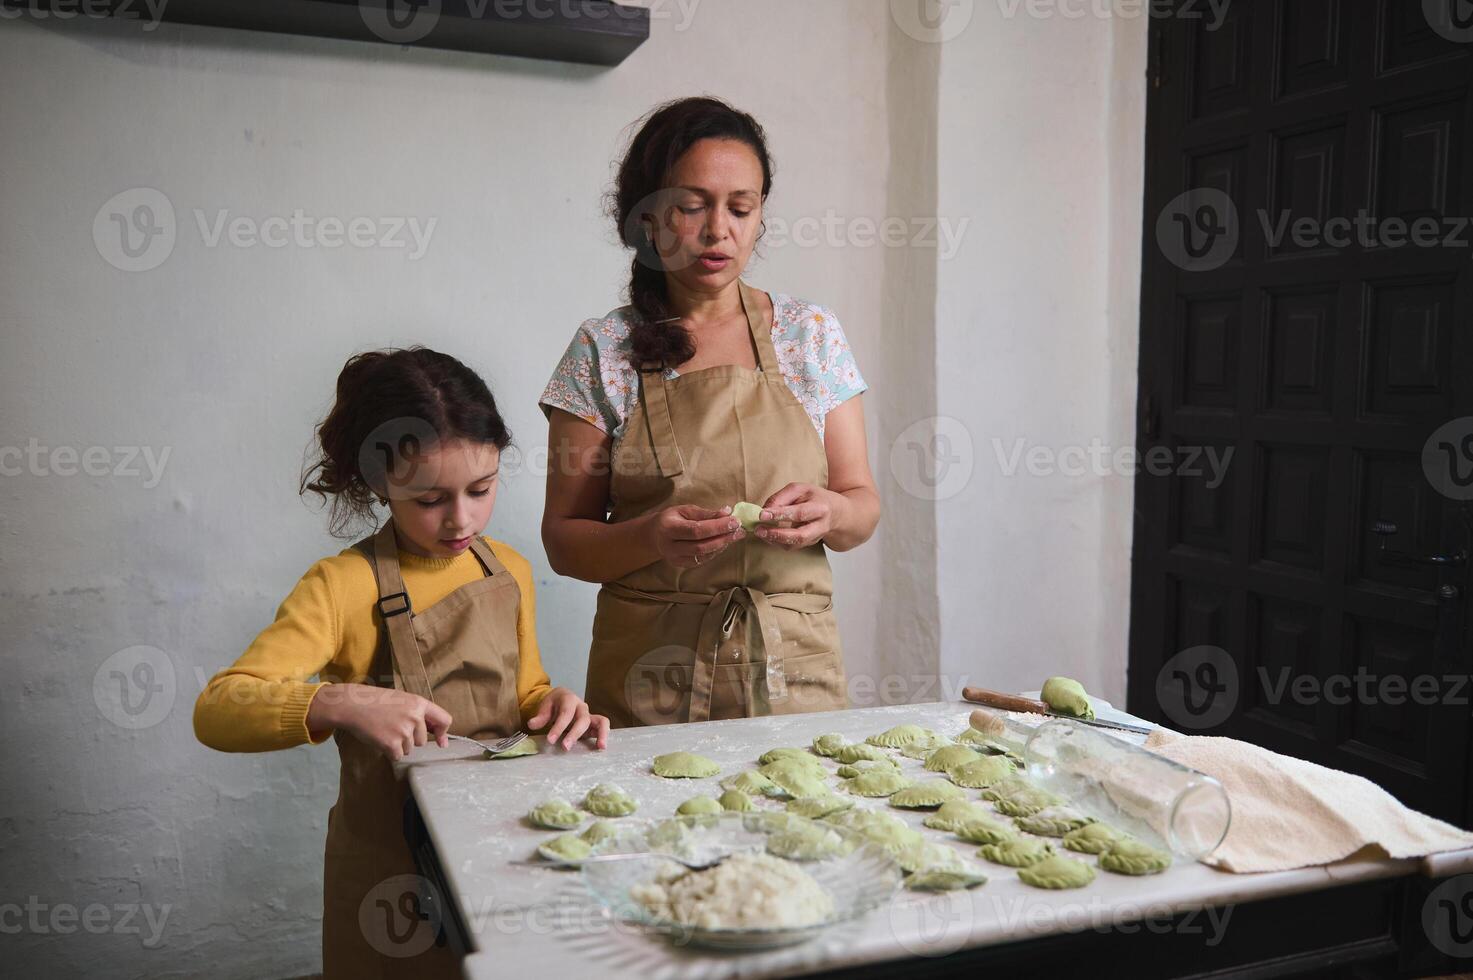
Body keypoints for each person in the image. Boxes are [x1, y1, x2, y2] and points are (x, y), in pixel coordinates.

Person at [195, 347, 608, 978]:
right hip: (388, 874)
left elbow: (525, 693)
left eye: (481, 489)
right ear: (378, 483)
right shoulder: (341, 586)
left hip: (502, 850)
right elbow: (217, 708)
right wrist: (339, 700)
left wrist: (552, 707)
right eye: (430, 499)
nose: (461, 518)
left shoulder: (509, 570)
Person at [540, 97, 880, 729]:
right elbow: (564, 541)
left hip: (792, 673)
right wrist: (648, 537)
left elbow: (861, 509)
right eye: (693, 206)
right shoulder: (603, 349)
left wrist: (830, 511)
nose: (718, 229)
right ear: (648, 219)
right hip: (649, 679)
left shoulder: (811, 335)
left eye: (740, 208)